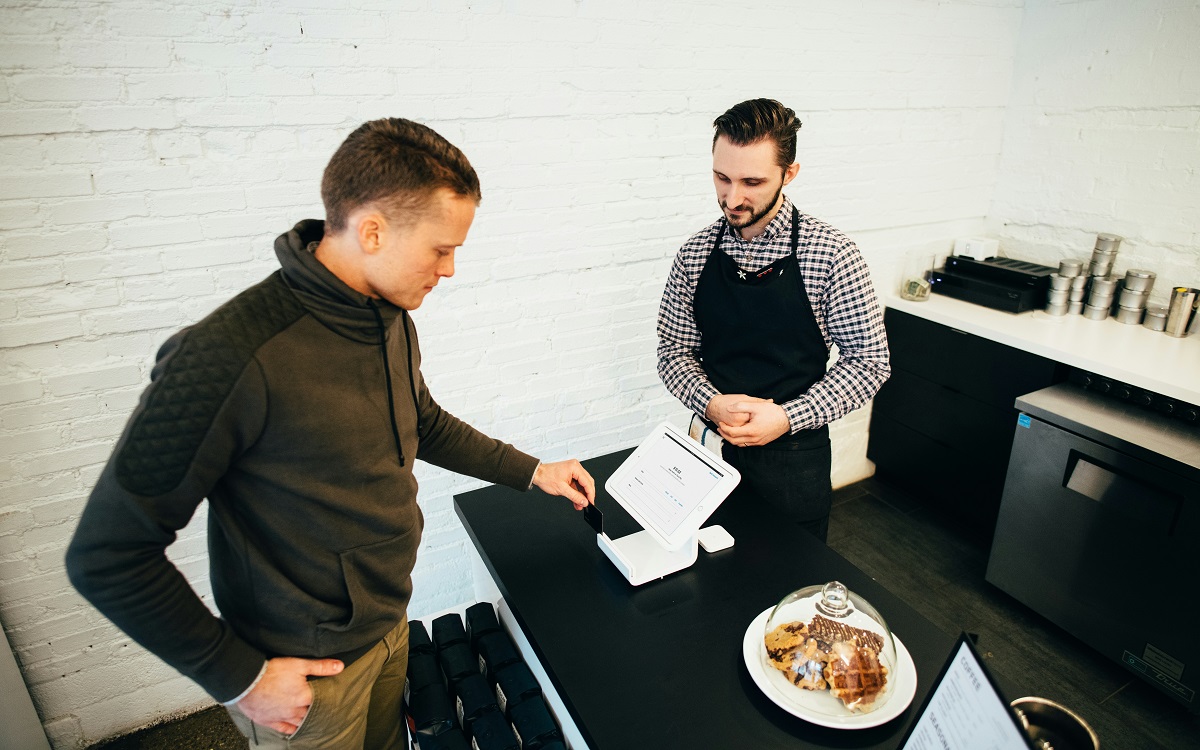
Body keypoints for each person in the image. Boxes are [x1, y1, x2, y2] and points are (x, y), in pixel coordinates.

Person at [66, 118, 596, 749]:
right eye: (440, 249)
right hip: (304, 676)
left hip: (388, 624)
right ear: (372, 231)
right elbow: (106, 556)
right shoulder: (223, 358)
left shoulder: (389, 315)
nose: (449, 270)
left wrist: (532, 471)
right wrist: (238, 677)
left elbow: (420, 420)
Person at [656, 98, 890, 542]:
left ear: (790, 173)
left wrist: (786, 416)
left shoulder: (831, 255)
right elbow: (674, 351)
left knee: (783, 589)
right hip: (708, 451)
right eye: (721, 177)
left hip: (793, 461)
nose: (732, 197)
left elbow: (870, 363)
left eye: (752, 181)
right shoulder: (696, 253)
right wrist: (710, 402)